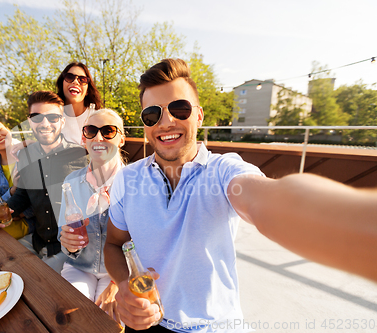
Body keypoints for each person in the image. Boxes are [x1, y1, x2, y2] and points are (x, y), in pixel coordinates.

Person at [104, 58, 377, 333]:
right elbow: (114, 245)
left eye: (179, 109)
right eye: (152, 114)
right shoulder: (128, 179)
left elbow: (265, 200)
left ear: (198, 116)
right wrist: (126, 285)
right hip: (150, 322)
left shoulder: (222, 170)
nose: (166, 121)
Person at [0, 91, 88, 273]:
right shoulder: (25, 155)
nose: (45, 123)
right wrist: (3, 212)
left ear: (62, 121)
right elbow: (23, 194)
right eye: (37, 117)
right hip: (38, 241)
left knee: (34, 283)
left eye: (53, 117)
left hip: (70, 247)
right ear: (30, 121)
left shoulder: (80, 155)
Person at [58, 109, 125, 322]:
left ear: (121, 139)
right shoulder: (70, 181)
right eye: (91, 130)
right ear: (83, 138)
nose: (98, 137)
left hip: (118, 271)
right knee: (71, 318)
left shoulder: (137, 182)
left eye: (108, 131)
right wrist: (68, 244)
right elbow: (65, 238)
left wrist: (119, 283)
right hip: (80, 267)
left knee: (108, 320)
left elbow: (147, 243)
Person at [56, 62, 103, 144]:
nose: (75, 82)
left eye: (82, 79)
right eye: (70, 77)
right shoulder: (52, 117)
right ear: (62, 84)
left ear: (87, 90)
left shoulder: (97, 117)